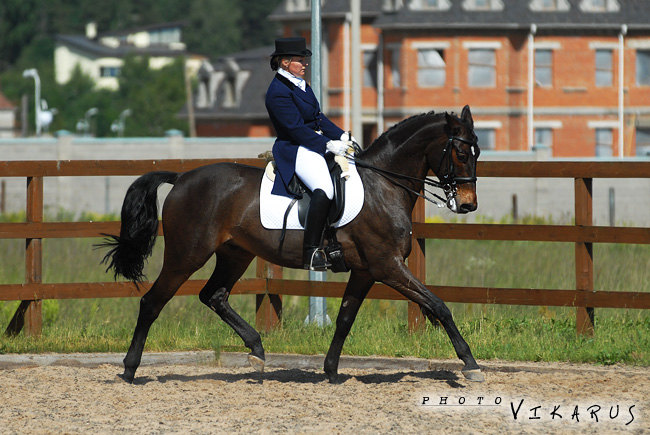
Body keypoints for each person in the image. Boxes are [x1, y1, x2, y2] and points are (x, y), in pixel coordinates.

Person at [265, 37, 355, 271]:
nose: (304, 64)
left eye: (304, 60)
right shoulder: (278, 91)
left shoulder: (302, 85)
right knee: (324, 187)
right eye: (299, 60)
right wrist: (328, 145)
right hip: (294, 148)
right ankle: (311, 251)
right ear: (284, 62)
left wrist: (342, 136)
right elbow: (294, 129)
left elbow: (318, 118)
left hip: (312, 142)